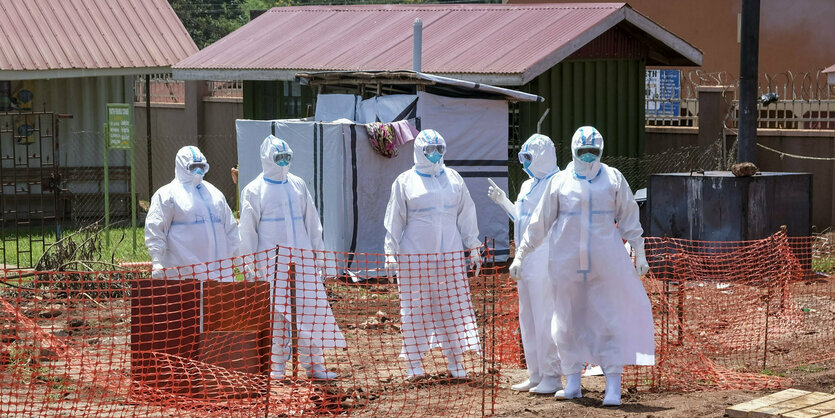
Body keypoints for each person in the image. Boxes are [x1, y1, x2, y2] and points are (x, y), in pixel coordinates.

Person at [509, 126, 654, 406]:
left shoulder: (613, 178)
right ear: (574, 151)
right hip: (565, 265)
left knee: (608, 319)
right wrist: (521, 255)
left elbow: (629, 218)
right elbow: (540, 223)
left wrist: (640, 252)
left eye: (593, 152)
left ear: (601, 151)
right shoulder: (561, 182)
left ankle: (613, 385)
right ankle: (572, 381)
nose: (588, 158)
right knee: (566, 320)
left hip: (606, 265)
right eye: (582, 152)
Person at [238, 135, 346, 381]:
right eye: (279, 158)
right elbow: (247, 231)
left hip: (303, 261)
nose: (284, 162)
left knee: (311, 311)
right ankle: (276, 367)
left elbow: (312, 222)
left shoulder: (297, 184)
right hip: (272, 264)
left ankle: (315, 366)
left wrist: (319, 257)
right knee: (276, 315)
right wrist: (249, 265)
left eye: (288, 157)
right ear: (267, 158)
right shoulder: (254, 190)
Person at [383, 129, 482, 380]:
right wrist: (390, 253)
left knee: (452, 306)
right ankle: (414, 364)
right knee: (416, 308)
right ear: (419, 151)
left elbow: (467, 214)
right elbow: (394, 219)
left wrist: (473, 246)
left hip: (449, 255)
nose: (435, 155)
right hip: (415, 255)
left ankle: (455, 361)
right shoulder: (405, 181)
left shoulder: (454, 179)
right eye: (429, 150)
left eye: (440, 149)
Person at [487, 133, 563, 394]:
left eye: (529, 157)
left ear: (543, 156)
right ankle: (536, 373)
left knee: (545, 316)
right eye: (523, 157)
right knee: (528, 316)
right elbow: (522, 218)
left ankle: (552, 375)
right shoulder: (527, 185)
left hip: (546, 256)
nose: (525, 163)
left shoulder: (558, 182)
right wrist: (503, 202)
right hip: (524, 258)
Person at [145, 146, 240, 281]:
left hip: (220, 277)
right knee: (188, 303)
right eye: (193, 167)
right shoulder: (167, 195)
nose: (198, 171)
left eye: (201, 166)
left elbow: (231, 231)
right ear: (182, 166)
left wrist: (242, 263)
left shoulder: (215, 194)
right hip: (184, 277)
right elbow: (156, 229)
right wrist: (157, 262)